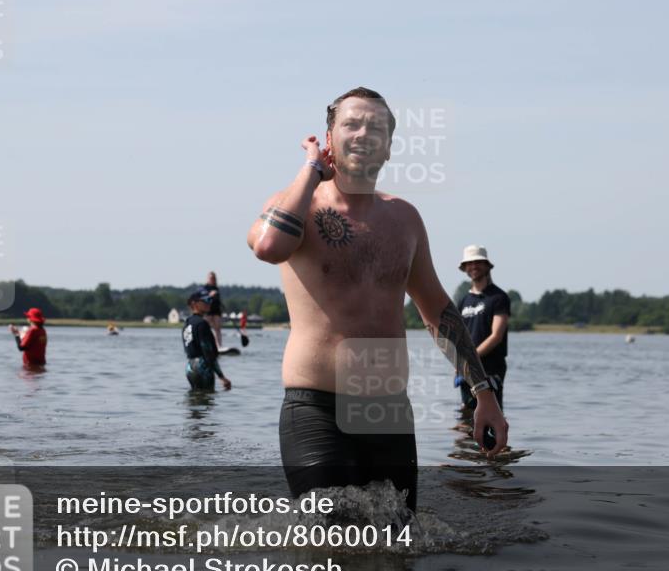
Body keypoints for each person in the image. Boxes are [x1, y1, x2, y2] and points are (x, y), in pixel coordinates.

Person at [247, 87, 508, 513]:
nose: (364, 133)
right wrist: (312, 170)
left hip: (388, 413)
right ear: (329, 137)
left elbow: (436, 309)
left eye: (377, 127)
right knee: (328, 545)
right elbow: (269, 245)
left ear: (389, 147)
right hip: (316, 408)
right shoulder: (296, 204)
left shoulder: (404, 219)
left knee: (398, 545)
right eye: (351, 123)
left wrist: (484, 394)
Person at [456, 245, 510, 411]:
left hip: (490, 368)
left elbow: (496, 336)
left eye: (478, 262)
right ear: (465, 268)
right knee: (467, 415)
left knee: (491, 416)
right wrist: (458, 364)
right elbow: (459, 337)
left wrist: (471, 358)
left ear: (487, 265)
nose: (473, 266)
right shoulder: (464, 301)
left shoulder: (499, 297)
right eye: (469, 263)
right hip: (466, 369)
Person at [182, 288, 232, 391]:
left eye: (210, 300)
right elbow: (209, 354)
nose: (209, 303)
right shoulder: (202, 324)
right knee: (207, 402)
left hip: (190, 368)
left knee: (195, 402)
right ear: (195, 304)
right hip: (203, 368)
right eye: (205, 301)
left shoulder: (187, 323)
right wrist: (222, 377)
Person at [204, 271, 224, 347]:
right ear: (208, 279)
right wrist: (210, 295)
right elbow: (203, 299)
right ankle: (206, 345)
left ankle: (219, 345)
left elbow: (218, 300)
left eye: (213, 278)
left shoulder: (216, 288)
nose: (212, 279)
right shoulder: (205, 288)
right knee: (206, 329)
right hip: (207, 311)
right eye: (211, 278)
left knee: (218, 329)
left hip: (216, 311)